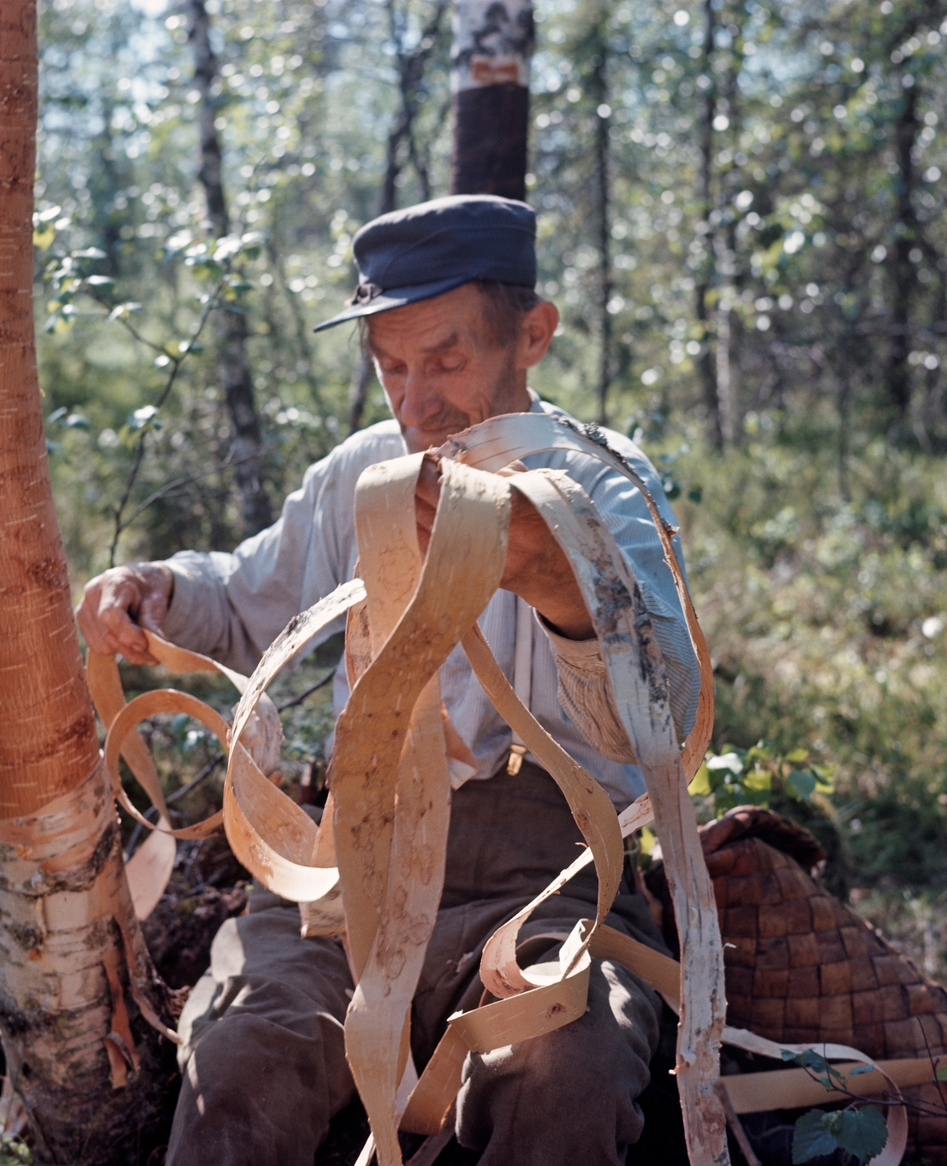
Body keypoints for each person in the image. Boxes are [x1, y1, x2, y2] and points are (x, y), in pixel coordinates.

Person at [77, 195, 699, 1165]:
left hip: (554, 881)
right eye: (389, 365)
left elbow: (660, 726)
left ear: (530, 335)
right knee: (239, 1070)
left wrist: (556, 583)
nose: (413, 402)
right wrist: (159, 590)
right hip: (346, 876)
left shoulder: (605, 486)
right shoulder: (359, 473)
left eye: (445, 359)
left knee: (559, 1070)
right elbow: (246, 596)